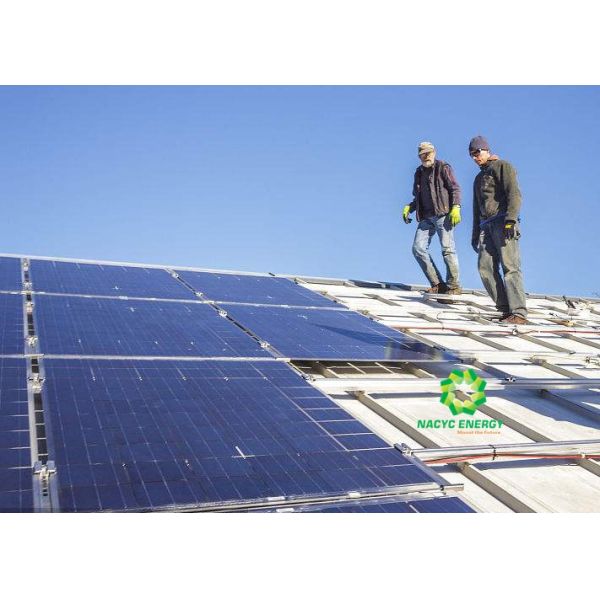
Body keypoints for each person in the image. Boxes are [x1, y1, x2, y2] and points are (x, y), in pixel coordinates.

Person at [469, 135, 527, 324]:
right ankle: (505, 309)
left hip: (503, 222)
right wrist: (475, 234)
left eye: (478, 152)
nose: (475, 157)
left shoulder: (502, 166)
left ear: (487, 150)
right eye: (472, 154)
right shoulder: (478, 179)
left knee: (510, 267)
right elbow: (476, 208)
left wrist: (510, 220)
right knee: (484, 267)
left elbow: (514, 194)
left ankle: (518, 312)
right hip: (485, 226)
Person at [403, 141, 462, 294]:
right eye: (422, 154)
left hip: (443, 214)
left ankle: (453, 286)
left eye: (428, 153)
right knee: (418, 249)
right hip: (426, 217)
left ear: (434, 153)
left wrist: (456, 206)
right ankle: (437, 284)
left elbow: (455, 188)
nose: (426, 156)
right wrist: (410, 207)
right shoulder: (419, 173)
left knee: (448, 249)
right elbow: (418, 197)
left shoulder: (443, 167)